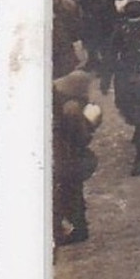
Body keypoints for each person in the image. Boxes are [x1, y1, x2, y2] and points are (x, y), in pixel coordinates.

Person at [52, 70, 101, 247]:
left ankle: (74, 229)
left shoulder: (67, 105)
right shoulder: (74, 104)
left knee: (66, 192)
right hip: (70, 155)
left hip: (66, 156)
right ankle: (78, 227)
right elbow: (83, 136)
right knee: (70, 192)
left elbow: (79, 135)